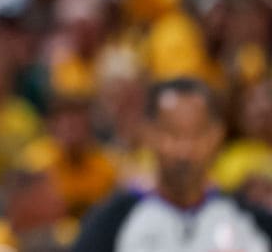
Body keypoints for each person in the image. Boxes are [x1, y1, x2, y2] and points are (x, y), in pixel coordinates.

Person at [72, 77, 272, 252]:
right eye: (172, 134)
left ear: (216, 135)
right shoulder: (110, 222)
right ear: (149, 134)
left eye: (196, 134)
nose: (184, 150)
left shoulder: (249, 219)